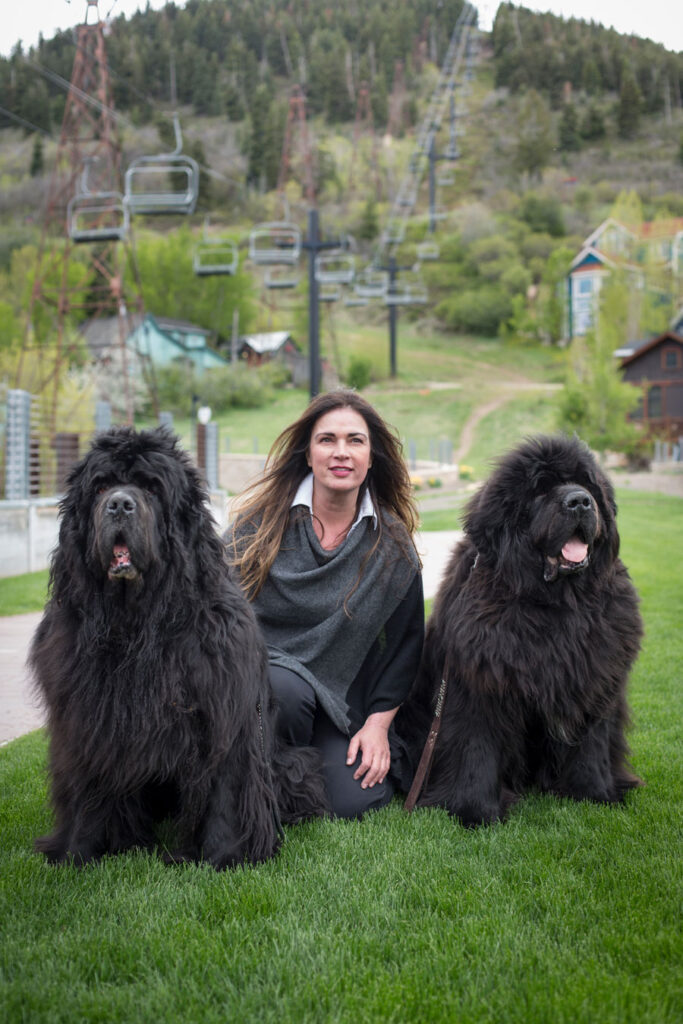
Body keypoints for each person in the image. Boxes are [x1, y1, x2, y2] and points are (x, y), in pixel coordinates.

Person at [226, 389, 424, 819]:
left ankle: (282, 778)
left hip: (337, 700)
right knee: (288, 691)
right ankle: (250, 778)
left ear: (372, 458)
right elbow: (213, 610)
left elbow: (405, 648)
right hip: (258, 688)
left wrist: (377, 727)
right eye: (327, 440)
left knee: (360, 798)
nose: (341, 452)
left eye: (355, 440)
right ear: (308, 453)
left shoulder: (392, 548)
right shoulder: (257, 527)